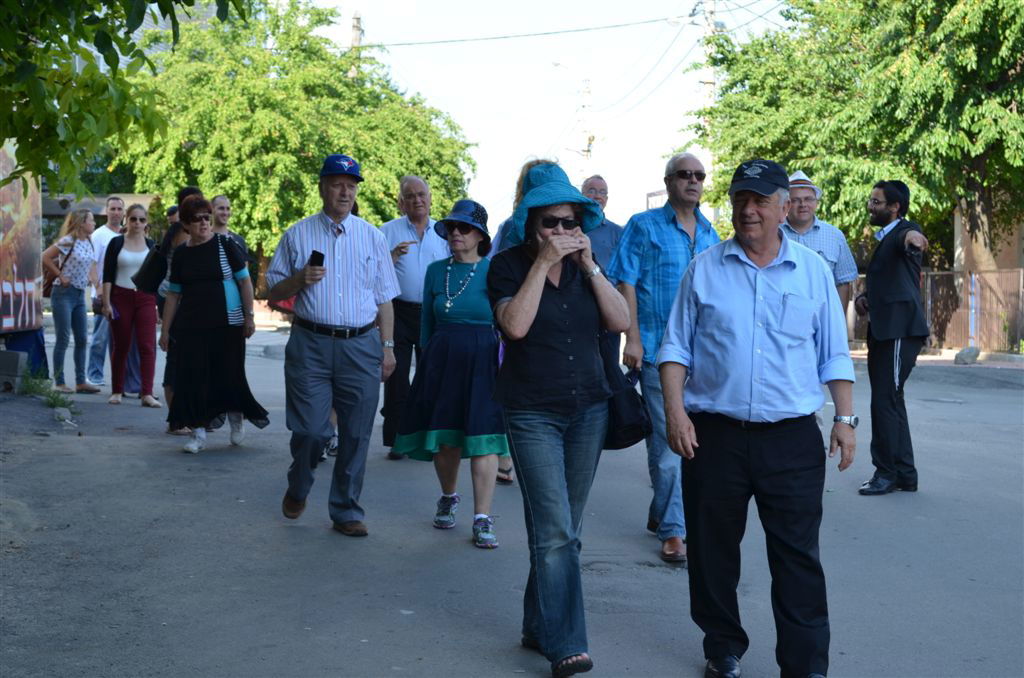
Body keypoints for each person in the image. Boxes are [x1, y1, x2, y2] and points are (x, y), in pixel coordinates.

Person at [658, 158, 857, 678]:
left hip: (791, 440)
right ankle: (722, 646)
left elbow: (834, 353)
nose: (749, 210)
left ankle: (805, 664)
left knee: (797, 557)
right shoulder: (705, 267)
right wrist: (675, 414)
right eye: (741, 199)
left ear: (784, 207)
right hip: (714, 436)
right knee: (712, 553)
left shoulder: (813, 272)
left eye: (761, 200)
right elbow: (675, 347)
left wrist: (846, 419)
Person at [487, 162, 629, 678]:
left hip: (588, 407)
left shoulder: (587, 267)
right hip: (530, 412)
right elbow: (515, 327)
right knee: (555, 534)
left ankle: (536, 622)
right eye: (550, 223)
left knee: (563, 530)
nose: (563, 232)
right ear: (530, 224)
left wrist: (590, 266)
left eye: (570, 222)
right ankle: (567, 643)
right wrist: (540, 263)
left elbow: (620, 320)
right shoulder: (505, 265)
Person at [266, 153, 400, 537]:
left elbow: (385, 298)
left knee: (357, 433)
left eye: (351, 185)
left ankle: (346, 510)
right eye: (338, 183)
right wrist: (299, 279)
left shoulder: (372, 237)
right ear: (322, 187)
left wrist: (388, 346)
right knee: (312, 431)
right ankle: (299, 483)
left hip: (361, 345)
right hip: (310, 343)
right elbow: (273, 292)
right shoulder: (297, 234)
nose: (345, 191)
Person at [606, 152, 720, 564]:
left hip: (704, 357)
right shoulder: (644, 225)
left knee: (696, 440)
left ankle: (662, 513)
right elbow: (627, 282)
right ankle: (674, 530)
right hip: (656, 350)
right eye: (684, 175)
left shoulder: (710, 233)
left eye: (699, 175)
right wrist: (631, 338)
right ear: (669, 181)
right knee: (670, 441)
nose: (693, 181)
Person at [391, 200, 508, 548]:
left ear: (481, 236)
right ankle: (449, 495)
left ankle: (482, 517)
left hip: (484, 358)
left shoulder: (493, 270)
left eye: (464, 228)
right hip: (442, 358)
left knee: (484, 437)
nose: (456, 233)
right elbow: (427, 321)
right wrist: (426, 363)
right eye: (452, 228)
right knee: (445, 437)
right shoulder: (435, 270)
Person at [159, 195, 268, 453]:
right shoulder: (183, 254)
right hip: (191, 325)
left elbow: (244, 282)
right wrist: (165, 331)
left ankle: (235, 415)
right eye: (197, 219)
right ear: (186, 224)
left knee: (229, 373)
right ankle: (198, 433)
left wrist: (249, 316)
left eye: (207, 217)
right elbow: (174, 294)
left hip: (228, 323)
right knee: (194, 377)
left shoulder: (225, 245)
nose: (204, 223)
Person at [855, 180, 929, 496]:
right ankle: (904, 474)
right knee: (890, 400)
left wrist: (916, 240)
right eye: (871, 201)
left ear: (894, 207)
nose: (871, 206)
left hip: (899, 330)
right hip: (885, 330)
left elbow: (913, 239)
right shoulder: (883, 239)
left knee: (885, 400)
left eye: (876, 202)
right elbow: (887, 280)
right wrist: (864, 297)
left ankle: (885, 473)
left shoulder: (902, 231)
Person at [380, 176, 449, 460]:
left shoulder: (443, 232)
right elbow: (375, 273)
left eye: (422, 195)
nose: (417, 200)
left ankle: (427, 440)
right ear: (401, 202)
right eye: (410, 196)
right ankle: (398, 438)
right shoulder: (386, 231)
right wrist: (392, 256)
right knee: (396, 378)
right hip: (398, 312)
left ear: (430, 198)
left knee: (430, 377)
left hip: (432, 312)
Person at [102, 204, 160, 407]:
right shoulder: (116, 243)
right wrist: (107, 303)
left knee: (147, 346)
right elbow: (107, 275)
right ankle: (117, 390)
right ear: (127, 220)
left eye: (141, 220)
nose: (137, 223)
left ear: (146, 223)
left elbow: (155, 278)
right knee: (122, 345)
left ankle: (147, 393)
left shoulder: (152, 245)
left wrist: (158, 307)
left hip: (145, 298)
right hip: (120, 296)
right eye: (133, 219)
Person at [42, 208, 100, 394]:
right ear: (82, 222)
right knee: (63, 338)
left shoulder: (89, 241)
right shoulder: (69, 240)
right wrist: (60, 275)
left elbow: (90, 264)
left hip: (79, 295)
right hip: (63, 293)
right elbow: (45, 257)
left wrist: (94, 281)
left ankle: (81, 381)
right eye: (91, 220)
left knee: (82, 338)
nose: (94, 223)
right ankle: (59, 382)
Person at [782, 171, 858, 313]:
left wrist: (838, 323)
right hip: (780, 317)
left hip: (823, 315)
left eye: (808, 199)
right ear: (786, 204)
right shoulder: (772, 233)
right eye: (796, 200)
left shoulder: (835, 236)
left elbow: (843, 284)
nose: (803, 204)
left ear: (816, 202)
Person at [159, 188, 202, 434]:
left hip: (189, 303)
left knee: (191, 361)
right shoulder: (180, 233)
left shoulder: (190, 230)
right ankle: (176, 420)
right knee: (175, 361)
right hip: (174, 301)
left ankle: (190, 416)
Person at [580, 174, 623, 270]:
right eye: (591, 191)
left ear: (606, 199)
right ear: (581, 195)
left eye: (602, 192)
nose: (598, 196)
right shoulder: (568, 227)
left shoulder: (618, 232)